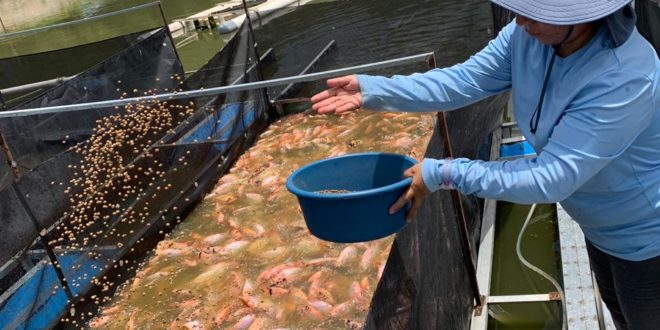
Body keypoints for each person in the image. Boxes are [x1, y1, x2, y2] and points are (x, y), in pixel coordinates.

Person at [311, 0, 660, 329]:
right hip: (597, 225)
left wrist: (442, 172)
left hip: (645, 239)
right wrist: (373, 91)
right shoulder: (527, 38)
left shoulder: (626, 77)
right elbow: (462, 80)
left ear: (579, 17)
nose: (520, 20)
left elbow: (549, 178)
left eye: (535, 13)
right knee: (621, 317)